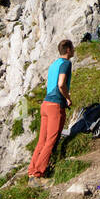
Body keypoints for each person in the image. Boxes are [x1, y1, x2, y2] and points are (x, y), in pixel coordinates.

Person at [28, 40, 73, 178]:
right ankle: (39, 172)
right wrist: (67, 98)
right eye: (72, 48)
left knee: (42, 140)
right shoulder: (66, 63)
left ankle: (31, 169)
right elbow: (61, 84)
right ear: (68, 50)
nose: (74, 50)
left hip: (45, 104)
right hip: (55, 105)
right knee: (51, 140)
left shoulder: (54, 64)